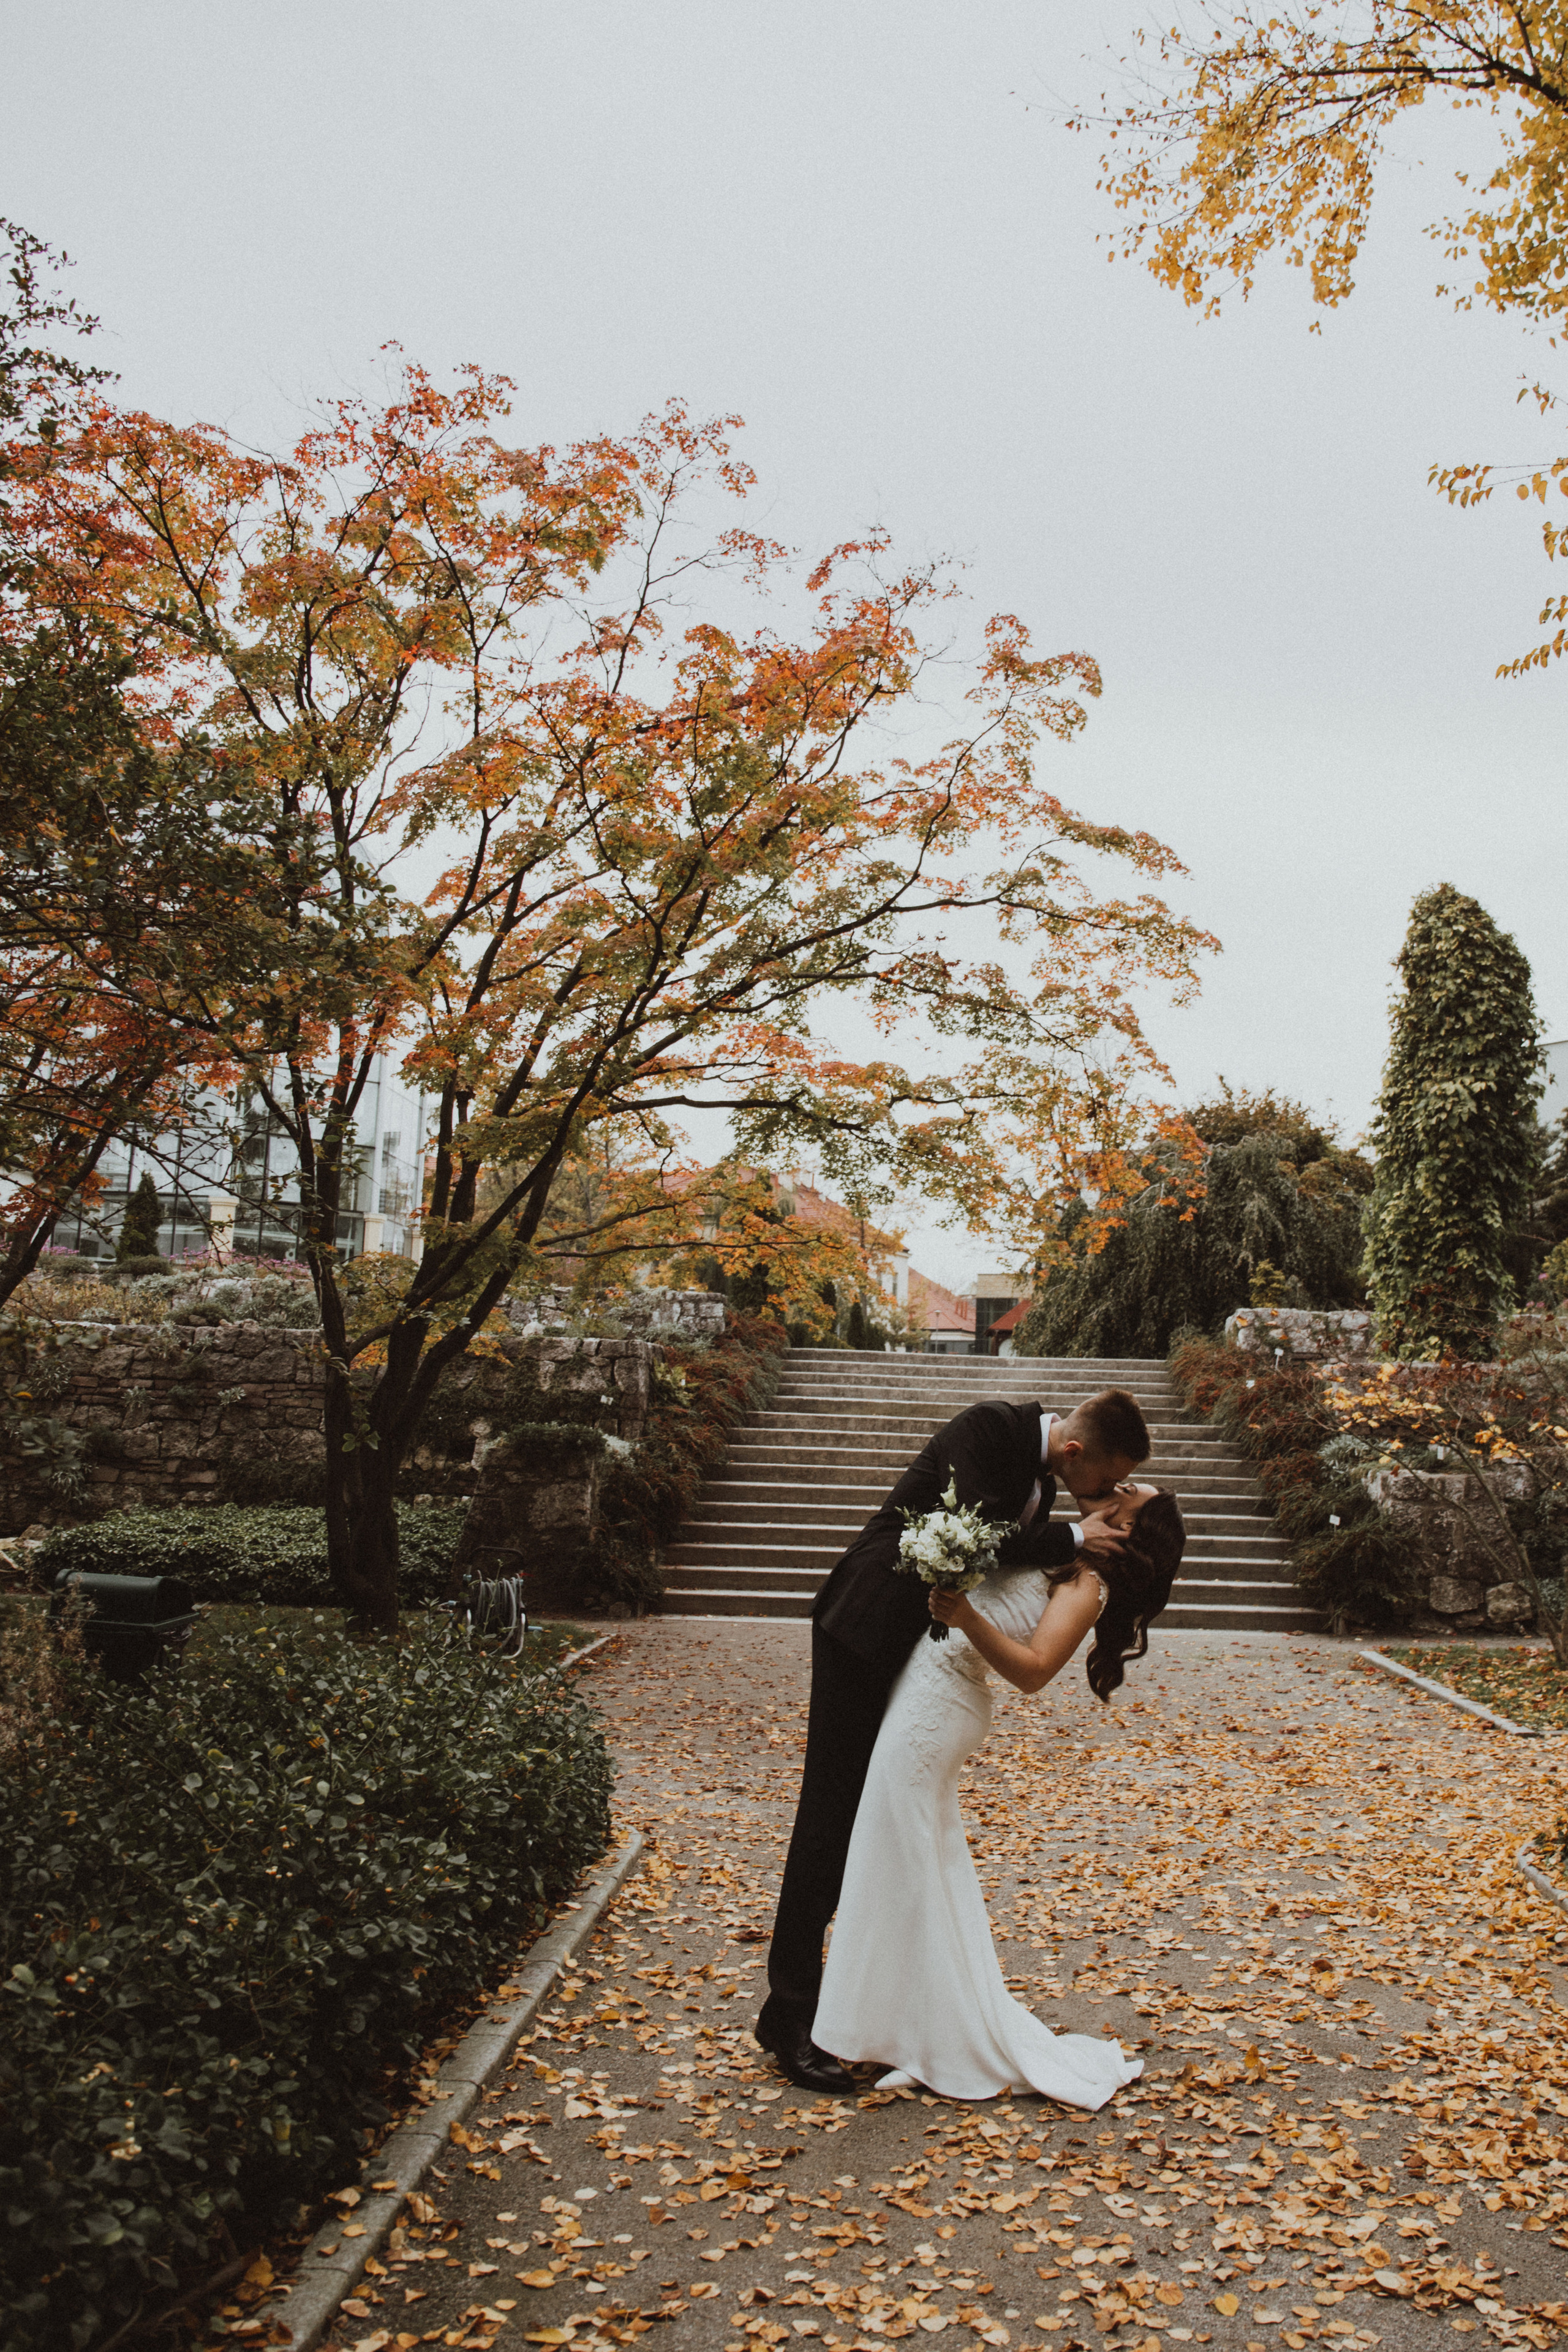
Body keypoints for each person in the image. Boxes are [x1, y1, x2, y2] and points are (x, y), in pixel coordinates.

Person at [756, 1387, 1155, 2094]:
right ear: (1073, 1451)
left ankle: (858, 2011)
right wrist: (1071, 1537)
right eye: (1106, 1479)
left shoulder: (1038, 1475)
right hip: (863, 1627)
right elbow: (971, 1532)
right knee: (828, 1820)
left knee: (863, 1827)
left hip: (915, 1655)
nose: (1105, 1494)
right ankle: (788, 2016)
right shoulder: (990, 1428)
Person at [812, 1480, 1186, 2104]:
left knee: (897, 1864)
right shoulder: (1063, 1555)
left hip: (942, 1709)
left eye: (1129, 1493)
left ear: (1131, 1527)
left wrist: (965, 1616)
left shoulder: (1088, 1586)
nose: (1116, 1487)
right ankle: (904, 2027)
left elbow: (1035, 1670)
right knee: (909, 1866)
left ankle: (914, 2034)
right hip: (924, 1692)